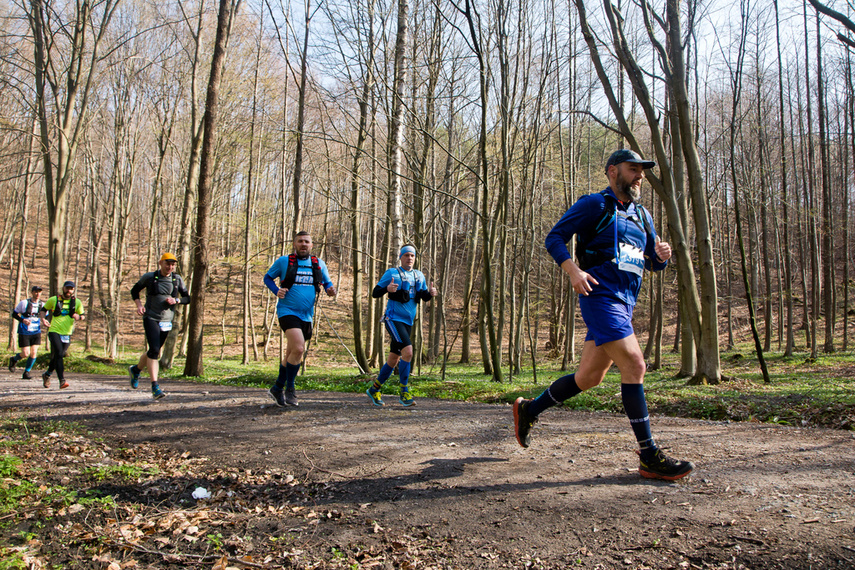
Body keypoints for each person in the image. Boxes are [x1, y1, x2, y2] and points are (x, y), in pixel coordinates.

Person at [514, 149, 694, 481]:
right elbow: (554, 237)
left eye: (642, 171)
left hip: (626, 302)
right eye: (633, 169)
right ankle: (649, 455)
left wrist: (662, 256)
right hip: (599, 295)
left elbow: (651, 264)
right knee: (635, 365)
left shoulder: (642, 215)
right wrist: (573, 270)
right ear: (613, 171)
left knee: (589, 378)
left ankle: (530, 409)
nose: (640, 175)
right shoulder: (594, 205)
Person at [263, 231, 336, 407]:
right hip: (287, 311)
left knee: (291, 353)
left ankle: (277, 387)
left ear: (312, 245)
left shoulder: (318, 264)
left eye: (307, 242)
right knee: (299, 348)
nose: (304, 244)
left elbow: (327, 283)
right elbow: (267, 278)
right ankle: (290, 388)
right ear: (295, 243)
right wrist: (276, 291)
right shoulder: (284, 261)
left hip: (307, 314)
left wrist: (331, 289)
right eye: (300, 241)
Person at [366, 244, 437, 407]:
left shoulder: (419, 275)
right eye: (406, 255)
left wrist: (431, 294)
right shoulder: (392, 273)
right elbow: (375, 293)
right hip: (393, 318)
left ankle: (374, 389)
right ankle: (404, 392)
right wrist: (387, 288)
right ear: (401, 257)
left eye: (412, 255)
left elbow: (424, 296)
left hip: (408, 322)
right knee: (408, 352)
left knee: (393, 358)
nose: (409, 258)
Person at [128, 253, 191, 399]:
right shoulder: (150, 277)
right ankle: (155, 386)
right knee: (155, 351)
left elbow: (187, 298)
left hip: (167, 320)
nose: (170, 267)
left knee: (153, 351)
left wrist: (176, 301)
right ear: (160, 263)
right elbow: (134, 290)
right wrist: (139, 305)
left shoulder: (177, 279)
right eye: (167, 264)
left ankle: (136, 370)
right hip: (151, 317)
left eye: (173, 265)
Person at [39, 281, 85, 390]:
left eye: (71, 289)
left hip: (67, 333)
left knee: (58, 356)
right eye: (67, 288)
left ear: (73, 290)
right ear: (63, 288)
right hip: (54, 330)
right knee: (59, 353)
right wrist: (43, 320)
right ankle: (62, 380)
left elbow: (83, 315)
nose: (69, 291)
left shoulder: (77, 302)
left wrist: (78, 317)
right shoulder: (54, 300)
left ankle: (47, 374)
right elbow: (43, 310)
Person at [9, 285, 48, 379]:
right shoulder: (24, 303)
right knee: (25, 353)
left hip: (36, 331)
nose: (38, 294)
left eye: (39, 292)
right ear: (32, 292)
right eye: (36, 292)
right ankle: (14, 359)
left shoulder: (42, 305)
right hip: (24, 331)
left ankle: (27, 372)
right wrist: (23, 320)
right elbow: (14, 314)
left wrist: (44, 321)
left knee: (34, 352)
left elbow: (45, 316)